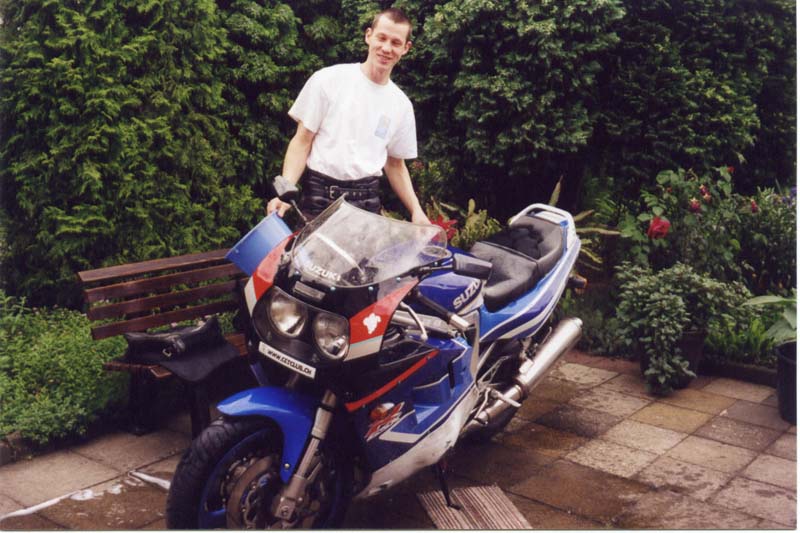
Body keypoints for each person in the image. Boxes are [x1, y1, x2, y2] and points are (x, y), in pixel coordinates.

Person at [266, 7, 430, 224]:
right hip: (319, 202)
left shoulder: (401, 105)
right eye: (381, 38)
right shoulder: (328, 80)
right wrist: (284, 193)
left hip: (367, 206)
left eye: (395, 42)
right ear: (368, 36)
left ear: (406, 48)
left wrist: (416, 210)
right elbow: (302, 141)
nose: (386, 48)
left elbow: (395, 165)